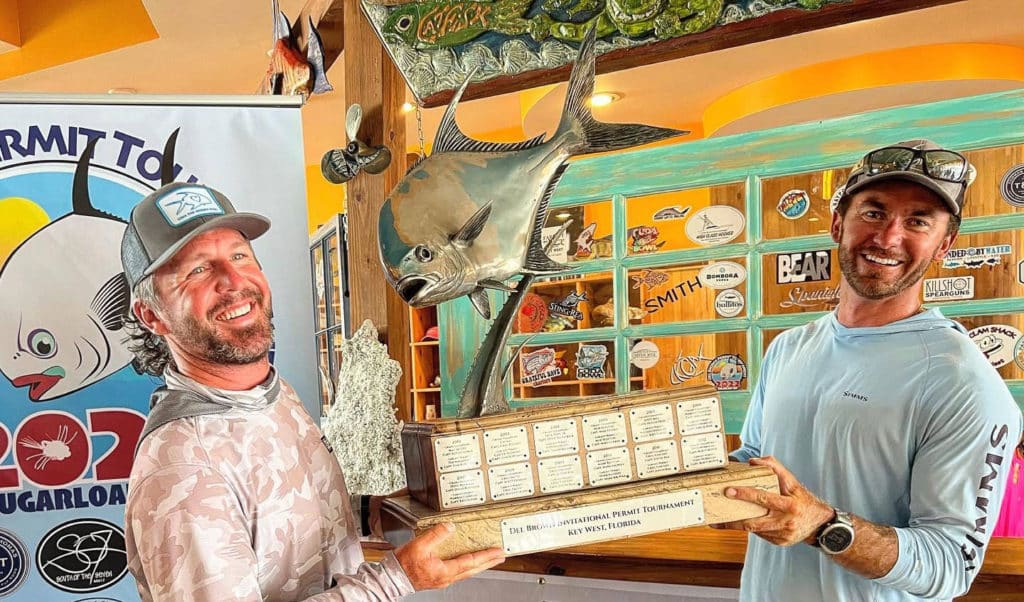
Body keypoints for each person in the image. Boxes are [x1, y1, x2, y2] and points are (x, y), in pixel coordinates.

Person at [119, 182, 505, 601]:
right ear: (151, 315)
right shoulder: (183, 468)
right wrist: (396, 580)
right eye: (198, 269)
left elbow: (281, 515)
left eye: (239, 256)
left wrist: (379, 512)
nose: (233, 280)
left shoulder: (270, 392)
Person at [720, 140, 1024, 601]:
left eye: (918, 221)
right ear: (837, 223)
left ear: (944, 245)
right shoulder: (788, 347)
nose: (887, 238)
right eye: (874, 212)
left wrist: (822, 526)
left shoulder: (963, 383)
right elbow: (755, 461)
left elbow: (950, 566)